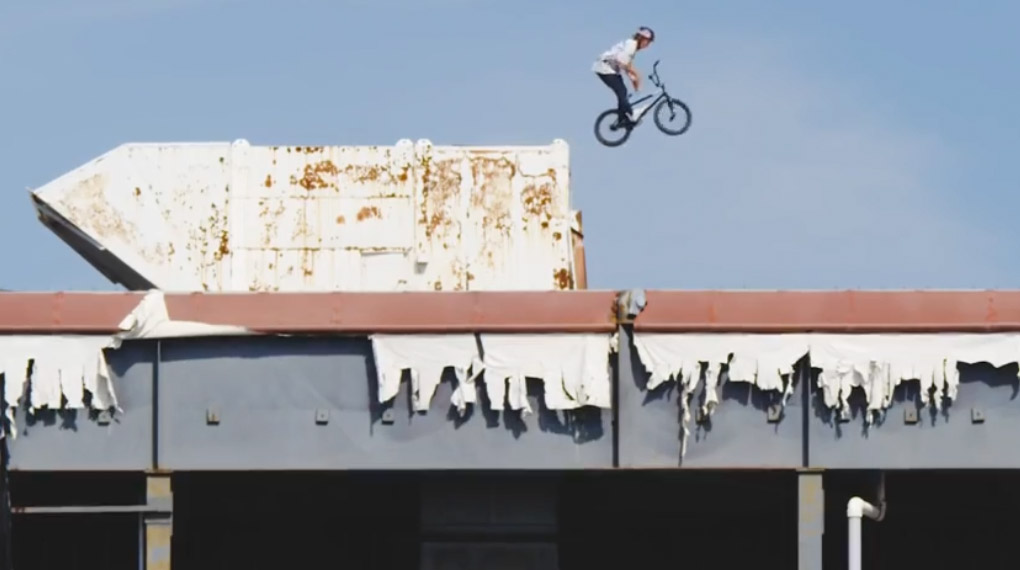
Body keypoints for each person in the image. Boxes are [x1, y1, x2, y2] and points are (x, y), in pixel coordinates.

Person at [592, 27, 655, 126]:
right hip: (604, 67)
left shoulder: (632, 47)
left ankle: (623, 118)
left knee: (623, 92)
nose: (647, 45)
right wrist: (636, 74)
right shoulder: (631, 44)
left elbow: (627, 67)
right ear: (641, 38)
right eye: (647, 42)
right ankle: (630, 115)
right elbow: (623, 62)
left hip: (610, 69)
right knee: (621, 91)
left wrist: (636, 84)